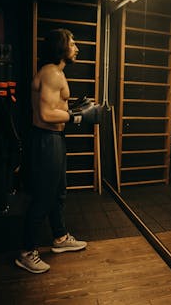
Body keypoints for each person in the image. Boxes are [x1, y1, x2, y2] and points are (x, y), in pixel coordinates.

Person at [15, 28, 103, 274]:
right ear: (61, 48)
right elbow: (45, 114)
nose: (76, 48)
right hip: (47, 139)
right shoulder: (52, 74)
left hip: (53, 138)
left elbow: (54, 106)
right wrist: (78, 116)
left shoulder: (52, 73)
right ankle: (26, 252)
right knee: (44, 195)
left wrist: (76, 107)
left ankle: (61, 238)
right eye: (72, 43)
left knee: (58, 192)